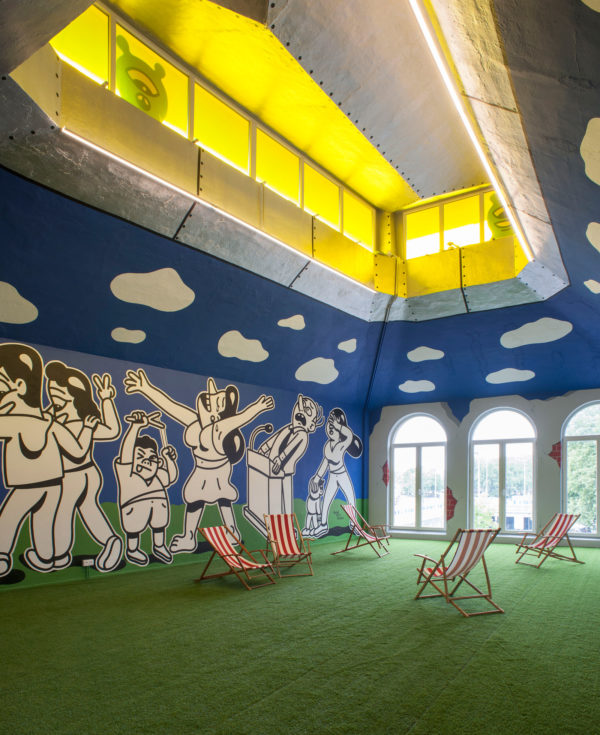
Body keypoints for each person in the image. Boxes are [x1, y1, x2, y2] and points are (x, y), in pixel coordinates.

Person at [123, 369, 274, 552]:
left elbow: (240, 419)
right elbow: (171, 407)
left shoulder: (219, 428)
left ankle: (231, 531)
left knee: (222, 497)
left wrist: (257, 408)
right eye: (208, 401)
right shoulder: (196, 422)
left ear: (218, 413)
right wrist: (146, 388)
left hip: (217, 470)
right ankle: (189, 537)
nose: (208, 401)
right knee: (196, 499)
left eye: (215, 403)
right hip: (201, 470)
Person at [0, 343, 97, 577]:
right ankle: (46, 558)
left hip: (27, 487)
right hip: (53, 486)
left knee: (8, 521)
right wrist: (87, 428)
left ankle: (3, 557)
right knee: (43, 523)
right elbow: (78, 451)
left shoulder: (17, 422)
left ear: (19, 386)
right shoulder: (52, 424)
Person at [45, 361, 123, 572]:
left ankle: (60, 556)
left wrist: (106, 400)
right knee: (88, 509)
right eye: (51, 392)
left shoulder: (78, 422)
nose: (52, 396)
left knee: (63, 511)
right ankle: (111, 541)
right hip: (86, 473)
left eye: (58, 392)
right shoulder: (60, 419)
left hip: (76, 474)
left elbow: (112, 431)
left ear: (74, 395)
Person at [114, 410, 178, 566]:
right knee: (134, 527)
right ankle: (132, 549)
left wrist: (169, 460)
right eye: (140, 456)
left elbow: (171, 477)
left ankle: (159, 546)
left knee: (159, 524)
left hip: (158, 505)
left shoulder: (158, 475)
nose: (147, 461)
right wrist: (135, 427)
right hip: (134, 506)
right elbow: (126, 453)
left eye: (152, 457)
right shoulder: (128, 475)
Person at [258, 394, 323, 515]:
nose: (300, 414)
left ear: (311, 425)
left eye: (306, 413)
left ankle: (287, 521)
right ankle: (274, 519)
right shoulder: (288, 428)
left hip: (285, 471)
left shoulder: (302, 435)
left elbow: (290, 448)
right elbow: (275, 438)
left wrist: (280, 459)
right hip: (272, 467)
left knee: (285, 498)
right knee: (274, 497)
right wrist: (264, 447)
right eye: (300, 410)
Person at [305, 408, 362, 539]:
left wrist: (338, 426)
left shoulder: (342, 444)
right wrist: (317, 477)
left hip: (342, 474)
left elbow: (349, 435)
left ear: (340, 430)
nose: (331, 428)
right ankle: (323, 524)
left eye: (335, 428)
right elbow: (325, 463)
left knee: (351, 499)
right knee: (326, 500)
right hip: (332, 476)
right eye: (329, 425)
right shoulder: (327, 446)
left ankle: (354, 524)